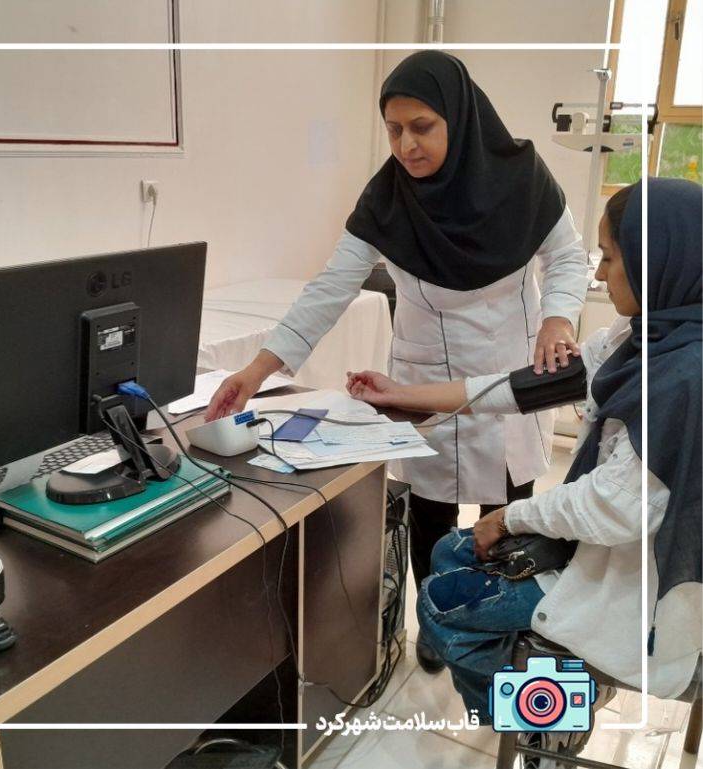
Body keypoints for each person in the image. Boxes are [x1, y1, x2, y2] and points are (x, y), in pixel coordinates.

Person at [205, 51, 588, 672]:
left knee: (507, 507)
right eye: (393, 129)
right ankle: (434, 625)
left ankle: (493, 622)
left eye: (422, 127)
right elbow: (330, 288)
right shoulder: (387, 198)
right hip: (424, 373)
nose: (406, 145)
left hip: (507, 369)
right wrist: (258, 369)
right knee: (429, 508)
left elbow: (568, 257)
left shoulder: (522, 177)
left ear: (459, 119)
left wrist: (558, 318)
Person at [348, 180, 703, 751]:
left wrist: (509, 517)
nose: (598, 274)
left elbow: (613, 507)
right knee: (447, 552)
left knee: (440, 603)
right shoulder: (641, 339)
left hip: (642, 584)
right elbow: (521, 388)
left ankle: (552, 724)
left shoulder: (685, 378)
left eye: (610, 258)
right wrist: (405, 395)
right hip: (614, 547)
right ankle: (552, 698)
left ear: (656, 260)